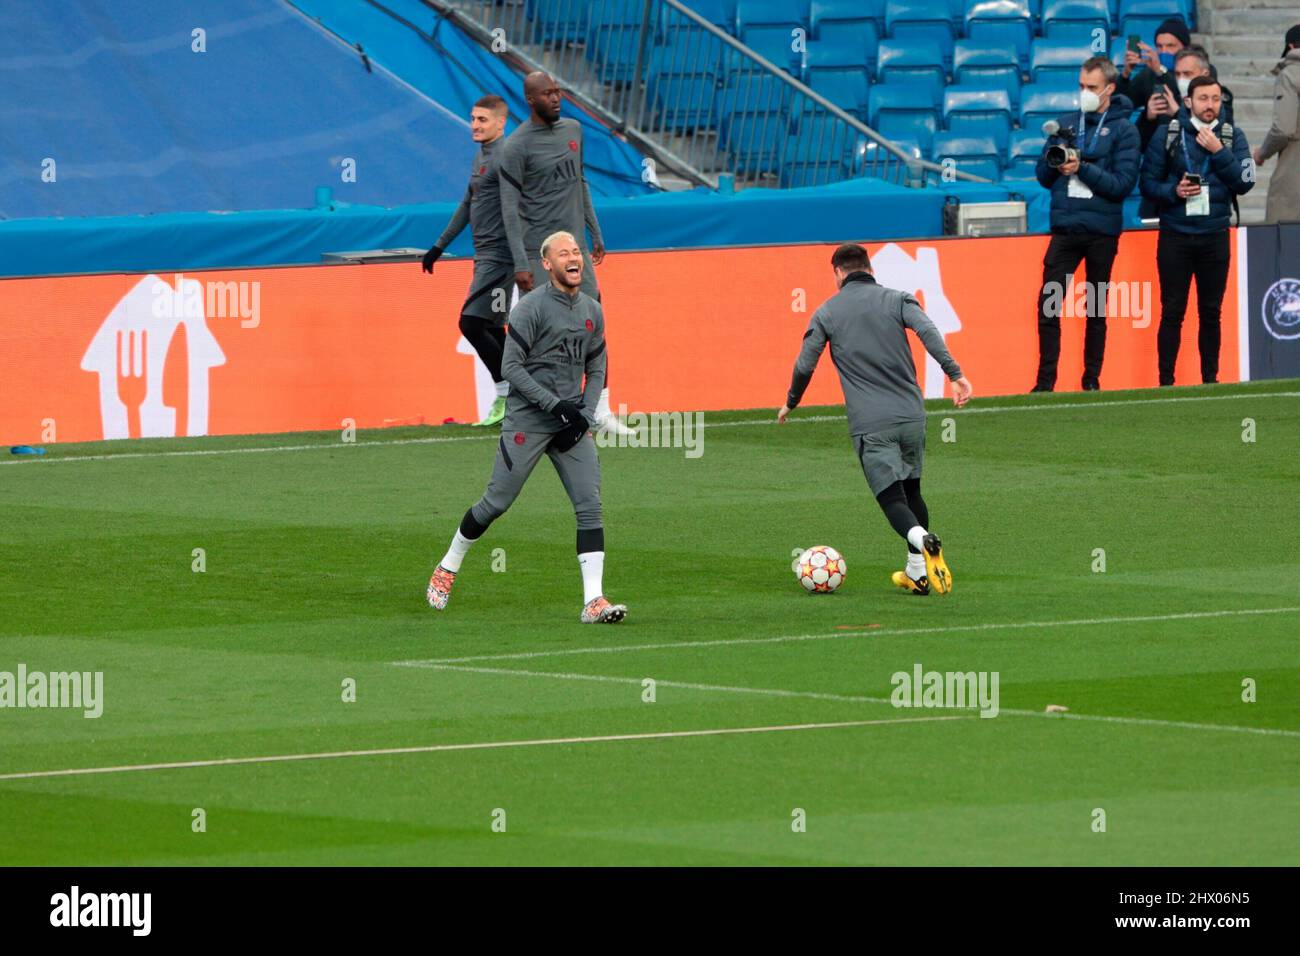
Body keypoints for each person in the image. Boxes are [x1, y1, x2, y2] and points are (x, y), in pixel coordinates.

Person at [426, 231, 627, 624]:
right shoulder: (530, 309)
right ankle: (448, 565)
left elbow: (597, 365)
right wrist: (557, 406)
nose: (573, 257)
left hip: (570, 422)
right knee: (496, 503)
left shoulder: (592, 309)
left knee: (590, 506)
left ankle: (593, 601)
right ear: (547, 265)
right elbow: (510, 368)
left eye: (577, 252)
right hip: (529, 421)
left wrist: (584, 413)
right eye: (563, 253)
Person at [776, 243, 973, 597]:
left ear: (838, 272)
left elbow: (805, 363)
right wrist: (955, 374)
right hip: (912, 416)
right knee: (913, 490)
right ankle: (917, 573)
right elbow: (929, 332)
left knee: (891, 499)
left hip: (872, 424)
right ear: (869, 268)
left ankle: (924, 540)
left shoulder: (826, 313)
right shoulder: (898, 299)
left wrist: (792, 401)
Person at [498, 71, 634, 436]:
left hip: (576, 254)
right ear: (530, 100)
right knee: (547, 337)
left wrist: (594, 230)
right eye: (547, 93)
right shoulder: (516, 146)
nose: (556, 98)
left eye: (558, 91)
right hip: (539, 255)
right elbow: (508, 208)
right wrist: (520, 262)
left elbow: (580, 182)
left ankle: (600, 411)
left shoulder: (574, 131)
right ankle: (545, 411)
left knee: (594, 329)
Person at [1032, 57, 1140, 392]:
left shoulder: (1125, 130)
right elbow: (1042, 177)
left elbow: (1121, 185)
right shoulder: (1066, 123)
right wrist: (1057, 153)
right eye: (1081, 86)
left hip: (1100, 233)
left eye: (1091, 87)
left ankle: (1091, 379)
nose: (1084, 93)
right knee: (1048, 305)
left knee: (1095, 310)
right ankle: (1044, 383)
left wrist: (1082, 168)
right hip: (1065, 229)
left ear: (1109, 88)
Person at [1140, 76, 1255, 385]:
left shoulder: (1232, 137)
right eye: (1203, 99)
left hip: (1215, 235)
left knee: (1211, 312)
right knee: (1172, 310)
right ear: (1188, 102)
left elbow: (1245, 183)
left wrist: (1219, 151)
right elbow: (1147, 184)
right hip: (1175, 235)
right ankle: (1166, 382)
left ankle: (1210, 381)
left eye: (1216, 99)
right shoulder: (1168, 133)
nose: (1210, 105)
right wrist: (1173, 191)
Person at [421, 95, 514, 427]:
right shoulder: (482, 156)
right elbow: (467, 202)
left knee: (470, 323)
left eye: (482, 120)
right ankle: (518, 399)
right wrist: (438, 246)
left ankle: (508, 394)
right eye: (473, 119)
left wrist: (522, 260)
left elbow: (517, 209)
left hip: (500, 256)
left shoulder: (505, 157)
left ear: (500, 123)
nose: (475, 125)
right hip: (485, 254)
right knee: (492, 327)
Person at [1136, 48, 1235, 152]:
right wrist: (1148, 119)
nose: (1181, 79)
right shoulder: (1169, 96)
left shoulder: (1218, 100)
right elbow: (1143, 146)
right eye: (1178, 74)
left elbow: (1216, 138)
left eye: (1187, 74)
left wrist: (1177, 113)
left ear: (1205, 74)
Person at [1252, 25, 1300, 224]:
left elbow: (1283, 129)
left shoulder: (1290, 73)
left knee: (1287, 242)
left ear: (1290, 46)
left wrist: (1262, 153)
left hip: (1295, 167)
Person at [1117, 17, 1190, 113]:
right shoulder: (1148, 74)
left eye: (1170, 46)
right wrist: (1125, 75)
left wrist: (1160, 71)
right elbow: (1123, 106)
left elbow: (1181, 95)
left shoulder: (1198, 70)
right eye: (1159, 46)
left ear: (1185, 47)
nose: (1164, 51)